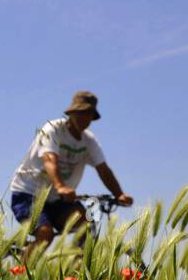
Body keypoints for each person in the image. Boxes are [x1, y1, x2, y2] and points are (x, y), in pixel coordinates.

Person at [8, 91, 132, 254]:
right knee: (45, 234)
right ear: (71, 112)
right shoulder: (53, 129)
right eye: (81, 112)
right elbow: (49, 159)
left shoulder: (89, 141)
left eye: (89, 113)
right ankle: (21, 274)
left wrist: (119, 194)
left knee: (87, 227)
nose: (84, 117)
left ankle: (75, 273)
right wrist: (60, 186)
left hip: (59, 199)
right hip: (29, 193)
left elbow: (103, 169)